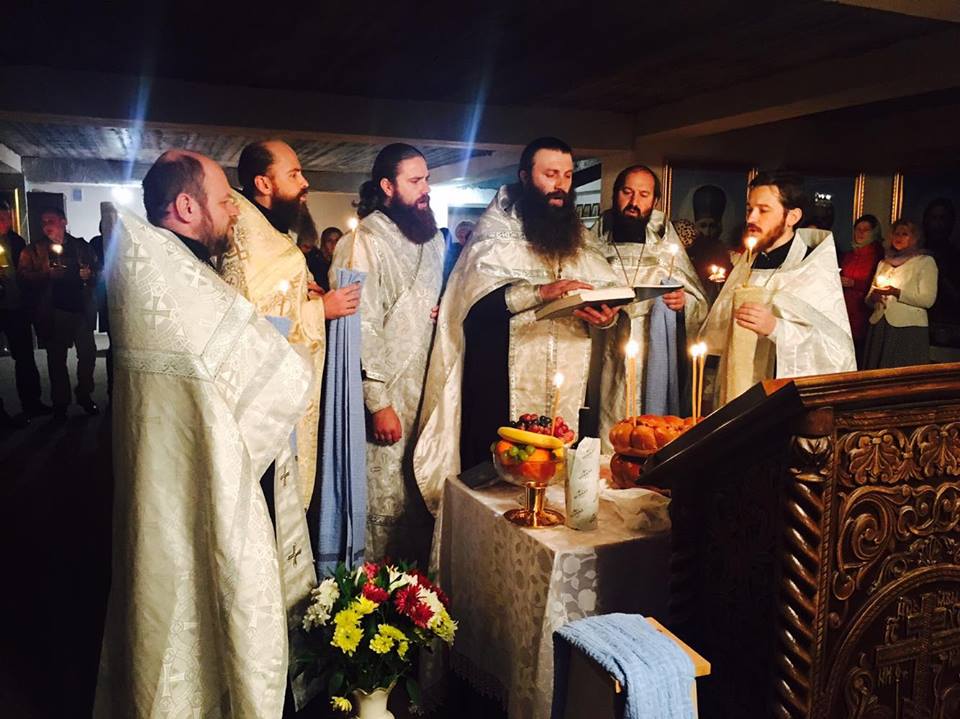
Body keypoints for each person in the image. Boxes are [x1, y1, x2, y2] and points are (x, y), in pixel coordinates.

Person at [95, 149, 316, 718]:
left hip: (168, 479)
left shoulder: (166, 266)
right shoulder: (176, 280)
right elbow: (278, 377)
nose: (234, 212)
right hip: (189, 477)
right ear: (187, 207)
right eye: (224, 201)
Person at [414, 136, 622, 513]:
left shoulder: (581, 238)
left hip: (570, 389)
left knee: (562, 498)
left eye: (567, 176)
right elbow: (469, 307)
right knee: (498, 505)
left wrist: (606, 318)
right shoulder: (494, 234)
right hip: (499, 389)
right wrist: (538, 293)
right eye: (550, 174)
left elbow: (605, 298)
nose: (560, 185)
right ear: (525, 177)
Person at [329, 142, 444, 566]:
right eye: (414, 181)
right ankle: (374, 599)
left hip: (427, 394)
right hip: (388, 396)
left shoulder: (433, 241)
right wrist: (378, 403)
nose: (425, 188)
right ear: (388, 187)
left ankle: (419, 599)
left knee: (420, 500)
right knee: (383, 503)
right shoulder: (363, 242)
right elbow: (360, 325)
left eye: (426, 179)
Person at [699, 171, 855, 406]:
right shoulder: (748, 261)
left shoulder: (811, 267)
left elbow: (835, 349)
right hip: (737, 389)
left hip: (780, 401)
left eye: (763, 210)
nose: (751, 218)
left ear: (792, 216)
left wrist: (776, 328)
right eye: (749, 209)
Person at [593, 165, 708, 450]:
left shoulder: (665, 247)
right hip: (603, 348)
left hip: (652, 352)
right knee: (603, 424)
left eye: (643, 195)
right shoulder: (592, 244)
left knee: (647, 431)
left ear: (655, 201)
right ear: (615, 194)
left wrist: (683, 304)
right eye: (627, 192)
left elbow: (698, 301)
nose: (634, 202)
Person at [18, 207, 98, 420]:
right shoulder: (34, 250)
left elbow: (99, 271)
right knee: (56, 359)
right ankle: (60, 403)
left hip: (81, 310)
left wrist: (89, 275)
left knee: (88, 355)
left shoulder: (81, 246)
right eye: (43, 221)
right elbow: (23, 276)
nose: (46, 225)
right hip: (54, 311)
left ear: (64, 221)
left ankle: (84, 395)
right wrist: (46, 274)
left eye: (51, 220)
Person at [863, 219, 938, 369]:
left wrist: (897, 292)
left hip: (907, 328)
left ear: (915, 238)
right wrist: (873, 298)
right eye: (896, 233)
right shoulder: (884, 263)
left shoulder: (925, 262)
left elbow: (927, 300)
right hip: (880, 326)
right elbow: (869, 298)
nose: (899, 237)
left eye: (905, 234)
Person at [0, 200, 46, 424]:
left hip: (17, 307)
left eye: (8, 218)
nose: (5, 223)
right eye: (1, 218)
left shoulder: (17, 241)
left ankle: (32, 402)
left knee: (25, 357)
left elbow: (24, 273)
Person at [840, 214, 884, 367]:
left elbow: (878, 284)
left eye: (866, 230)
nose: (861, 233)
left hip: (864, 311)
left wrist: (855, 283)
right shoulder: (849, 255)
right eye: (858, 229)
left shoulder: (879, 256)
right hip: (845, 310)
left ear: (874, 232)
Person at [88, 202, 118, 401]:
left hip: (120, 298)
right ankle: (111, 389)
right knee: (112, 344)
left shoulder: (123, 244)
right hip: (105, 297)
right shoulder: (96, 243)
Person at [442, 219, 474, 284]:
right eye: (460, 237)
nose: (464, 240)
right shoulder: (454, 250)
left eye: (467, 236)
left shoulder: (481, 247)